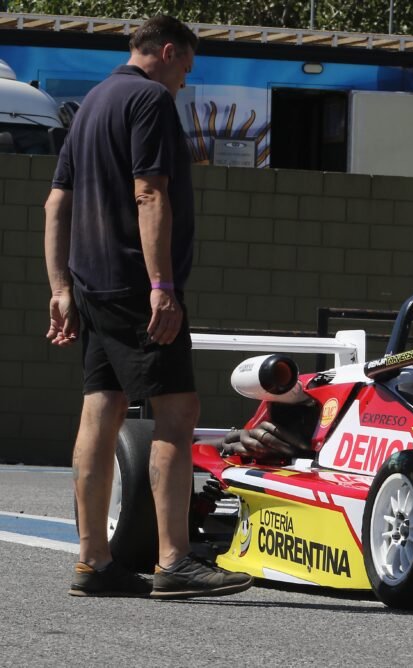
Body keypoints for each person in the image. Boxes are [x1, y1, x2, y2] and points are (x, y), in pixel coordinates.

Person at [44, 15, 253, 599]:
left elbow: (55, 203)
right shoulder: (149, 100)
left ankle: (93, 561)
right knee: (178, 412)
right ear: (167, 51)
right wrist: (161, 285)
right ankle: (174, 561)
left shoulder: (91, 104)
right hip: (137, 287)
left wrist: (60, 288)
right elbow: (150, 191)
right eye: (186, 68)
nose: (184, 82)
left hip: (91, 284)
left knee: (102, 408)